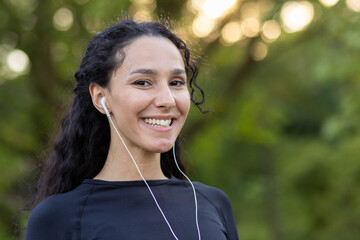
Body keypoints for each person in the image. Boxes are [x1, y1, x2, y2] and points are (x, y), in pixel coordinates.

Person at [25, 19, 239, 240]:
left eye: (176, 82)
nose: (168, 100)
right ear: (101, 97)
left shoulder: (212, 203)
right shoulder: (58, 217)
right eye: (143, 82)